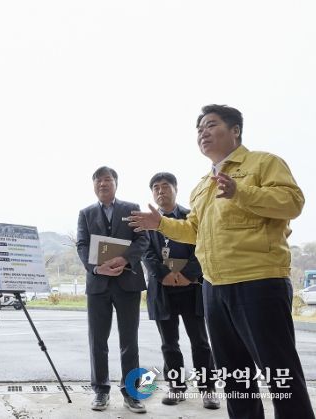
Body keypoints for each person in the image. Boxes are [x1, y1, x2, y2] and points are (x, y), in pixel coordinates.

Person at [128, 105, 314, 419]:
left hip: (258, 281)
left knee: (279, 371)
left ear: (235, 130)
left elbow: (292, 202)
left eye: (211, 125)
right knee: (234, 374)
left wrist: (241, 192)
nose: (203, 132)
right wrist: (160, 224)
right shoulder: (203, 185)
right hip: (214, 287)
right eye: (199, 128)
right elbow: (194, 231)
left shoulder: (263, 163)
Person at [142, 172, 219, 409]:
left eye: (165, 186)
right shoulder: (148, 221)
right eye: (156, 187)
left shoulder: (191, 216)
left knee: (200, 342)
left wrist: (187, 274)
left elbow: (203, 246)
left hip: (191, 287)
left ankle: (208, 389)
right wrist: (163, 275)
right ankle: (176, 387)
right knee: (169, 343)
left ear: (176, 189)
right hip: (163, 289)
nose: (160, 191)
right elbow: (146, 251)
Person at [76, 166, 149, 414]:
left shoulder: (132, 209)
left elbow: (143, 239)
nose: (102, 184)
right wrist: (97, 269)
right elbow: (82, 245)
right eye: (98, 181)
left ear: (116, 183)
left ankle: (132, 393)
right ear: (93, 186)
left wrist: (125, 259)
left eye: (107, 180)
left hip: (128, 283)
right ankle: (100, 391)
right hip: (98, 285)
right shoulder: (85, 213)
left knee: (129, 340)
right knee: (98, 340)